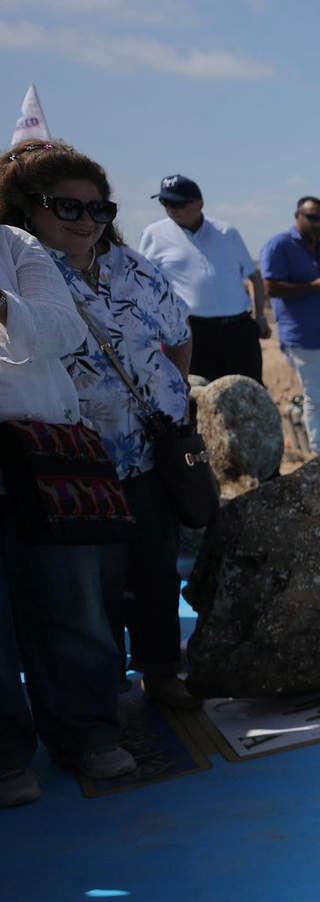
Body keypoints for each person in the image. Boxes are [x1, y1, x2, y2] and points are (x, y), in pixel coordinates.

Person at [6, 144, 200, 714]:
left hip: (146, 454)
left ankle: (163, 672)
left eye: (99, 209)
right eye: (69, 208)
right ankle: (103, 695)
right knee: (91, 591)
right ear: (26, 209)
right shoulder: (22, 275)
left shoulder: (134, 269)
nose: (88, 221)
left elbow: (179, 335)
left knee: (156, 573)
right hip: (69, 464)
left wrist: (171, 399)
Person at [0, 213, 134, 793]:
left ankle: (89, 733)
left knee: (73, 602)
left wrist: (3, 308)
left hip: (37, 446)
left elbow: (63, 330)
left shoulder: (14, 244)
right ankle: (6, 756)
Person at [137, 173, 268, 384]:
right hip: (192, 333)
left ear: (199, 203)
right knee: (196, 398)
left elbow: (254, 276)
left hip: (239, 330)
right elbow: (143, 284)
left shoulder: (227, 232)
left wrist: (260, 316)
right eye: (165, 202)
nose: (172, 208)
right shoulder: (153, 234)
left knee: (249, 395)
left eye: (178, 203)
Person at [262, 197, 320, 454]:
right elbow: (271, 287)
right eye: (313, 218)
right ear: (297, 216)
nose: (319, 224)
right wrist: (315, 285)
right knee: (317, 397)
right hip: (302, 336)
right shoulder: (280, 245)